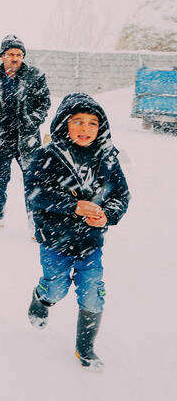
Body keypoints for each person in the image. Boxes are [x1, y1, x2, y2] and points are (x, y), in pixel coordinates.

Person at [25, 93, 130, 371]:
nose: (85, 129)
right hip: (55, 242)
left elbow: (121, 194)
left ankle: (85, 347)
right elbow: (36, 194)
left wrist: (108, 214)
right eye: (78, 122)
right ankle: (41, 297)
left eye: (92, 123)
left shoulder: (108, 158)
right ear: (64, 124)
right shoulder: (49, 155)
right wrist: (74, 206)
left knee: (93, 294)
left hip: (90, 244)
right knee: (57, 289)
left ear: (101, 127)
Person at [0, 35, 50, 228]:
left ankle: (36, 223)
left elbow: (44, 105)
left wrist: (30, 121)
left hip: (26, 138)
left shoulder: (36, 76)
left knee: (33, 181)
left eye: (19, 54)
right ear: (2, 56)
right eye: (10, 54)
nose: (15, 58)